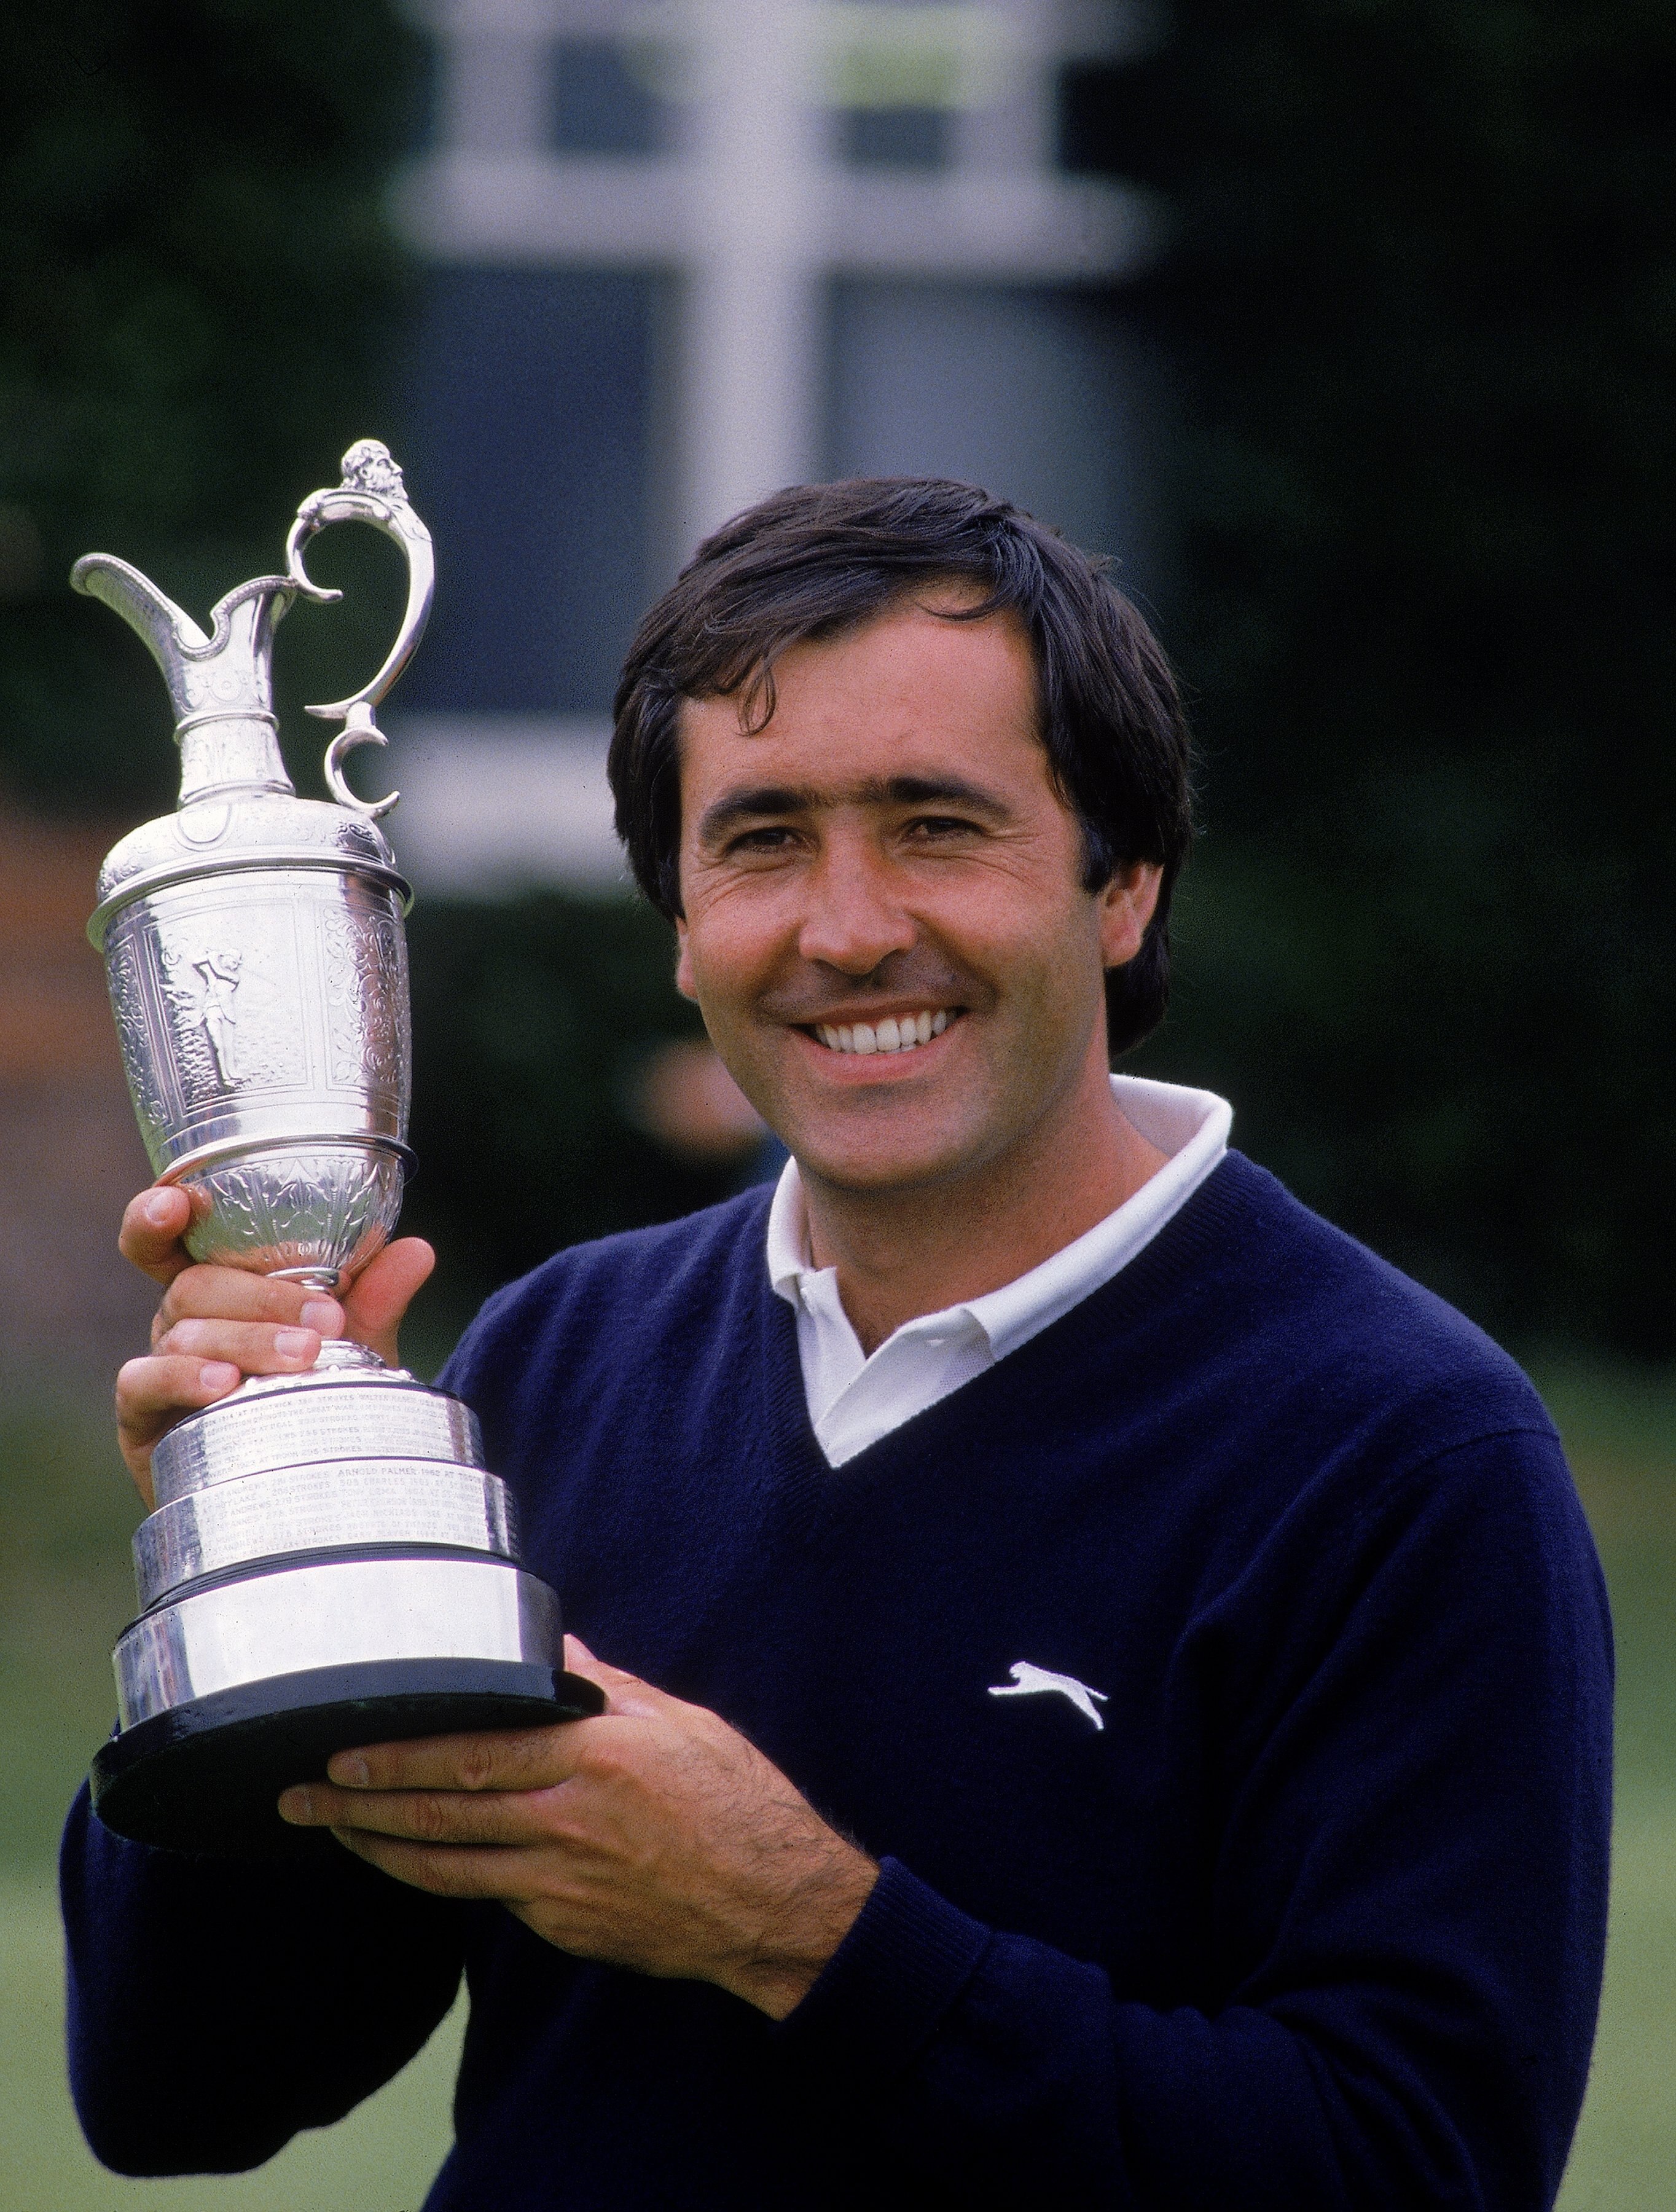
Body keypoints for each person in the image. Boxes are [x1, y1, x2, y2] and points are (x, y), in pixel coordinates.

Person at [61, 479, 1611, 2209]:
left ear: (1125, 884)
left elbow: (1418, 2174)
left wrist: (804, 1930)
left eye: (937, 825)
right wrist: (240, 1574)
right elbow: (178, 2094)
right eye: (764, 837)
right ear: (679, 924)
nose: (847, 926)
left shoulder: (1405, 1452)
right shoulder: (555, 1360)